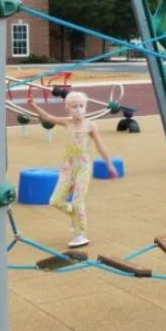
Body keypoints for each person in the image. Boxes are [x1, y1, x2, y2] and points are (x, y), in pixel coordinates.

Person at [29, 91, 118, 248]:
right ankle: (76, 218)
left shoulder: (90, 125)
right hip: (67, 166)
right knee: (55, 201)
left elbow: (100, 146)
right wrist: (33, 105)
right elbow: (48, 117)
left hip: (83, 167)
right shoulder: (67, 122)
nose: (78, 109)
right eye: (74, 106)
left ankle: (80, 235)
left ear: (86, 107)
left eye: (81, 106)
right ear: (68, 109)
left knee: (78, 202)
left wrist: (109, 164)